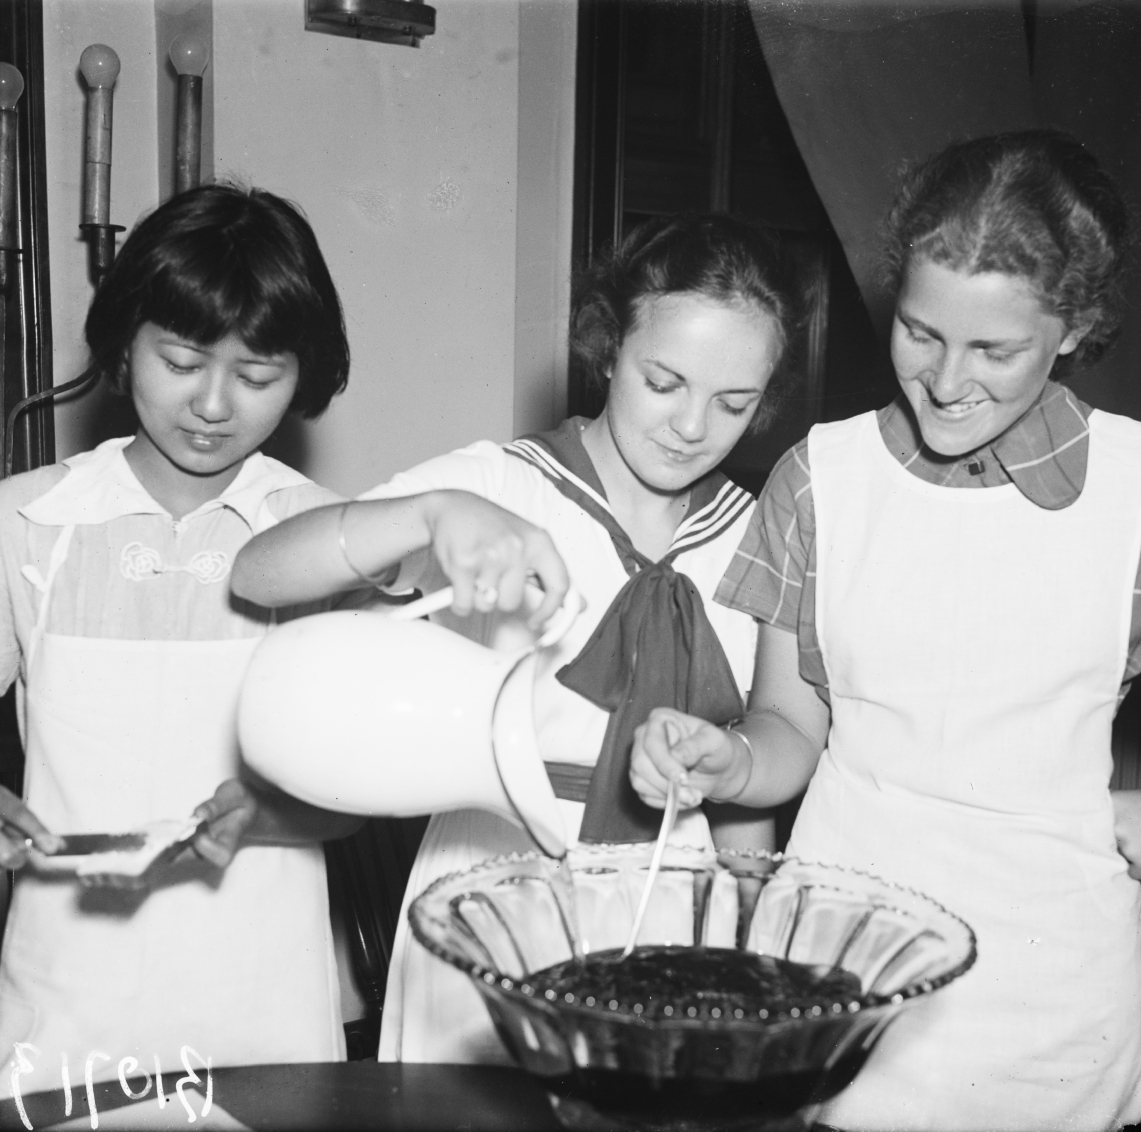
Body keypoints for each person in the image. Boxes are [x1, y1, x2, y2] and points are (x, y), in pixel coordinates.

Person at [630, 130, 1141, 1132]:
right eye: (918, 332)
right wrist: (727, 763)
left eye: (995, 349)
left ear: (1073, 327)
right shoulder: (819, 476)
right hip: (839, 969)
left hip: (1046, 1005)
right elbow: (788, 728)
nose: (945, 382)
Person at [230, 212, 805, 1063]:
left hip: (673, 896)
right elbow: (259, 571)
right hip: (495, 887)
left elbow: (751, 782)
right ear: (608, 348)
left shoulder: (754, 532)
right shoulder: (500, 486)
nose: (692, 425)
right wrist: (429, 516)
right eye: (664, 381)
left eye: (733, 403)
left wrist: (747, 934)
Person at [0, 184, 363, 1097]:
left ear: (303, 374)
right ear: (126, 345)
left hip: (260, 996)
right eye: (182, 360)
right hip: (63, 995)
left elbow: (359, 792)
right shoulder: (29, 523)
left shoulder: (327, 539)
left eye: (256, 376)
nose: (211, 404)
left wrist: (272, 817)